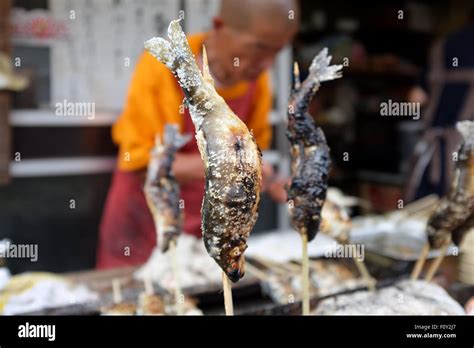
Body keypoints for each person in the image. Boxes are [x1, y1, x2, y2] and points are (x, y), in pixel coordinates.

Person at [96, 0, 300, 268]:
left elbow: (251, 156)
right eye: (259, 49)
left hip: (204, 228)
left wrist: (273, 182)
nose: (266, 64)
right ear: (219, 27)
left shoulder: (257, 82)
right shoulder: (165, 66)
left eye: (277, 53)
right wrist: (232, 164)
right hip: (145, 225)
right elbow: (144, 163)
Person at [404, 8, 474, 201]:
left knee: (425, 221)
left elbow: (415, 99)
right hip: (468, 161)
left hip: (431, 152)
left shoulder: (443, 45)